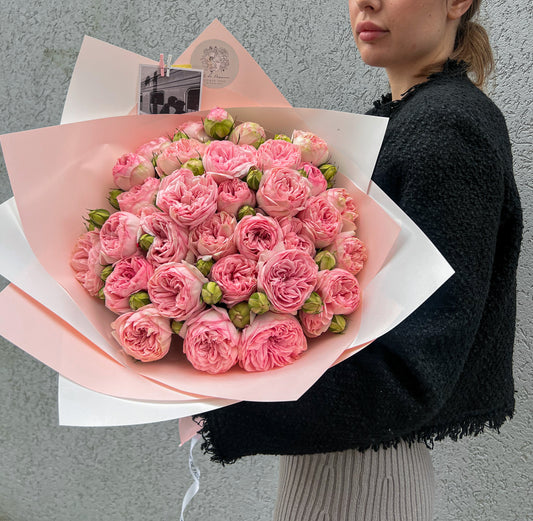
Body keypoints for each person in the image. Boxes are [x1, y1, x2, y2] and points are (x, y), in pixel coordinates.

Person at [196, 0, 523, 519]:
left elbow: (412, 371)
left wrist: (226, 408)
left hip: (365, 484)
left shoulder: (446, 132)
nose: (364, 3)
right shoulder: (404, 120)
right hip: (343, 468)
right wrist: (164, 101)